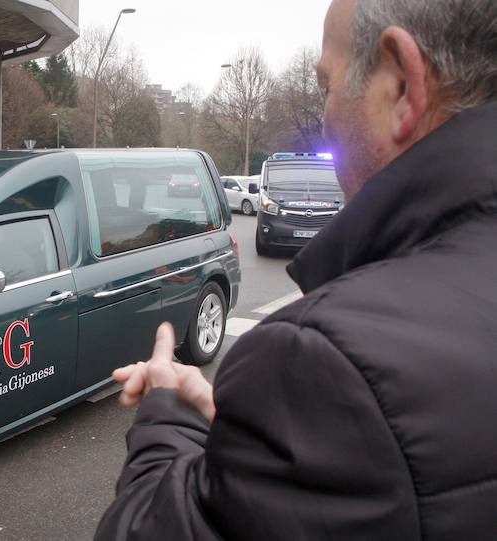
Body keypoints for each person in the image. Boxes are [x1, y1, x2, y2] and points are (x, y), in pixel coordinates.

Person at [96, 1, 497, 540]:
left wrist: (165, 411)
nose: (326, 112)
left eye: (326, 86)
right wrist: (251, 433)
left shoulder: (323, 360)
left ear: (401, 85)